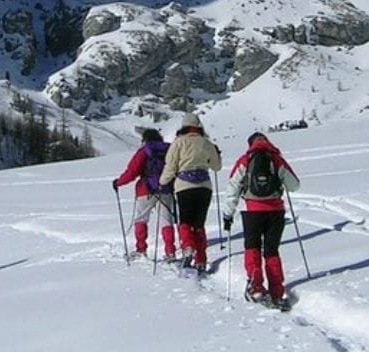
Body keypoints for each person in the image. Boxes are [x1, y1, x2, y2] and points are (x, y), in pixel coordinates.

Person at [221, 132, 300, 308]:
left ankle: (255, 282)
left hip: (253, 211)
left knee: (252, 247)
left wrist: (228, 214)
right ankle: (277, 292)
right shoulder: (276, 158)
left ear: (250, 144)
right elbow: (294, 185)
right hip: (275, 211)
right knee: (272, 251)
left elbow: (232, 187)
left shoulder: (245, 159)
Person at [158, 112, 221, 273]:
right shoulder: (206, 143)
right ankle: (201, 258)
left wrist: (162, 182)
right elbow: (217, 167)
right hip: (204, 187)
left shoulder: (178, 143)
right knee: (199, 223)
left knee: (185, 221)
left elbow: (170, 166)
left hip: (184, 186)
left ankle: (187, 246)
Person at [112, 129, 177, 261]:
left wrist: (118, 183)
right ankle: (170, 251)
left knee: (141, 219)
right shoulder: (169, 149)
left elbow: (132, 172)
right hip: (166, 189)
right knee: (166, 220)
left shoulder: (144, 151)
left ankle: (141, 249)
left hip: (146, 190)